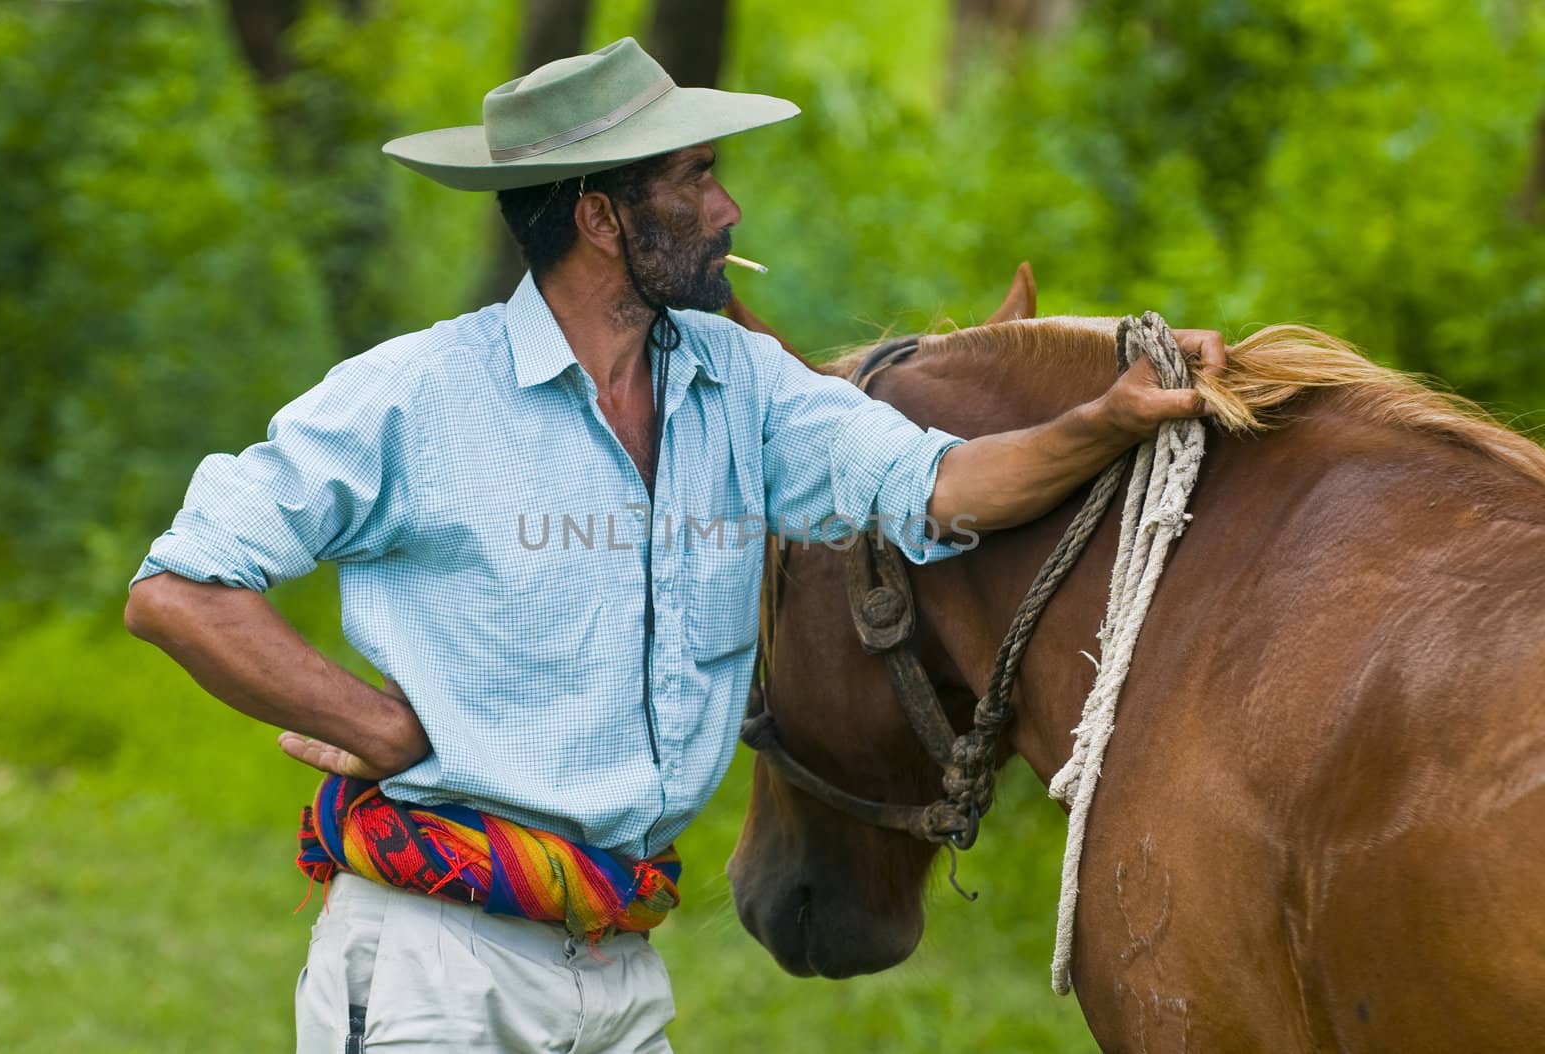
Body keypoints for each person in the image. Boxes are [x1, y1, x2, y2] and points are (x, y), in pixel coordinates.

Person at [123, 37, 1224, 1053]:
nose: (726, 206)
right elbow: (179, 589)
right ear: (602, 220)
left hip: (619, 968)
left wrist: (1108, 420)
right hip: (434, 970)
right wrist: (375, 724)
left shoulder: (738, 386)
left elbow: (934, 489)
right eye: (696, 179)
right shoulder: (412, 398)